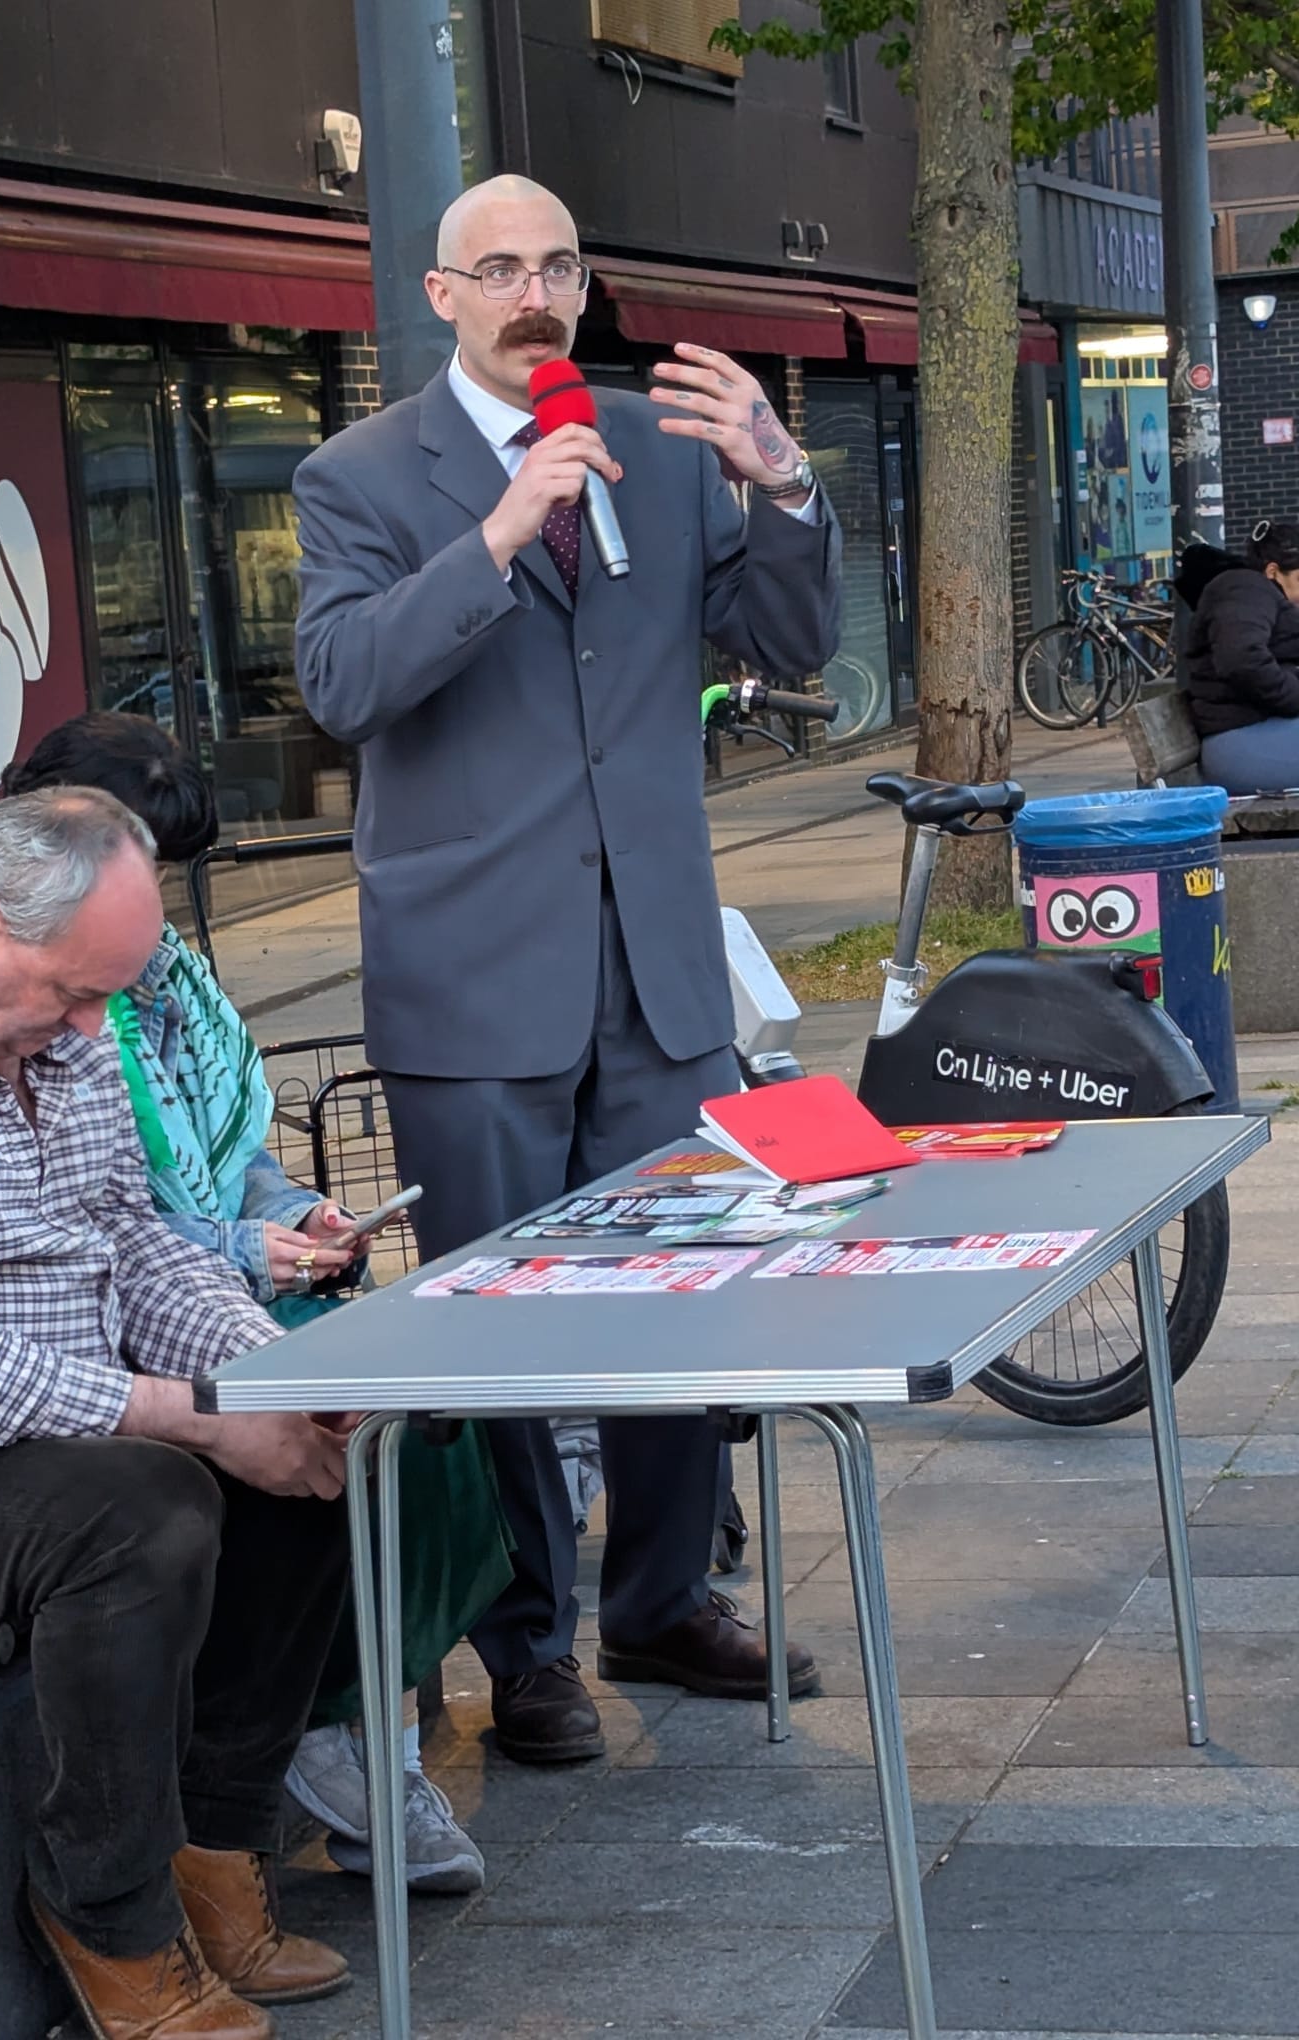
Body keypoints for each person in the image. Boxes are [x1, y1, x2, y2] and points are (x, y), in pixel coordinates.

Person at [293, 173, 841, 1765]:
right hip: (477, 977)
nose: (534, 292)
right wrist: (498, 531)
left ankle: (665, 1601)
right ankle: (526, 1644)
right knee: (503, 1325)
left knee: (685, 1295)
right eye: (501, 269)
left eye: (558, 267)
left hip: (658, 964)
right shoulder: (359, 473)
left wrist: (786, 485)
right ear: (442, 291)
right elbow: (340, 681)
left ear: (584, 285)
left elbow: (786, 649)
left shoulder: (662, 452)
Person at [0, 790, 358, 2040]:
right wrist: (196, 1418)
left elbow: (129, 1242)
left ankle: (213, 1846)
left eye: (110, 997)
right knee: (144, 1505)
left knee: (308, 1458)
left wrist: (265, 1378)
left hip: (12, 1418)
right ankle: (109, 1913)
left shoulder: (55, 1018)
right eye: (78, 996)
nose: (97, 1030)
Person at [1, 711, 511, 1895]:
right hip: (112, 1327)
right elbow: (87, 1219)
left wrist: (301, 1213)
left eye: (171, 871)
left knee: (409, 1403)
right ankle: (333, 1735)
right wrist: (242, 1252)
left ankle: (382, 1711)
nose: (166, 902)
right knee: (331, 1419)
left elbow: (228, 1155)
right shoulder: (46, 989)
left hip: (212, 1281)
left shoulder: (163, 973)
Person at [1180, 520, 1299, 793]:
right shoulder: (1244, 589)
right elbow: (1242, 659)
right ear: (1273, 571)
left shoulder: (1256, 593)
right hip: (1242, 745)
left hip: (1260, 734)